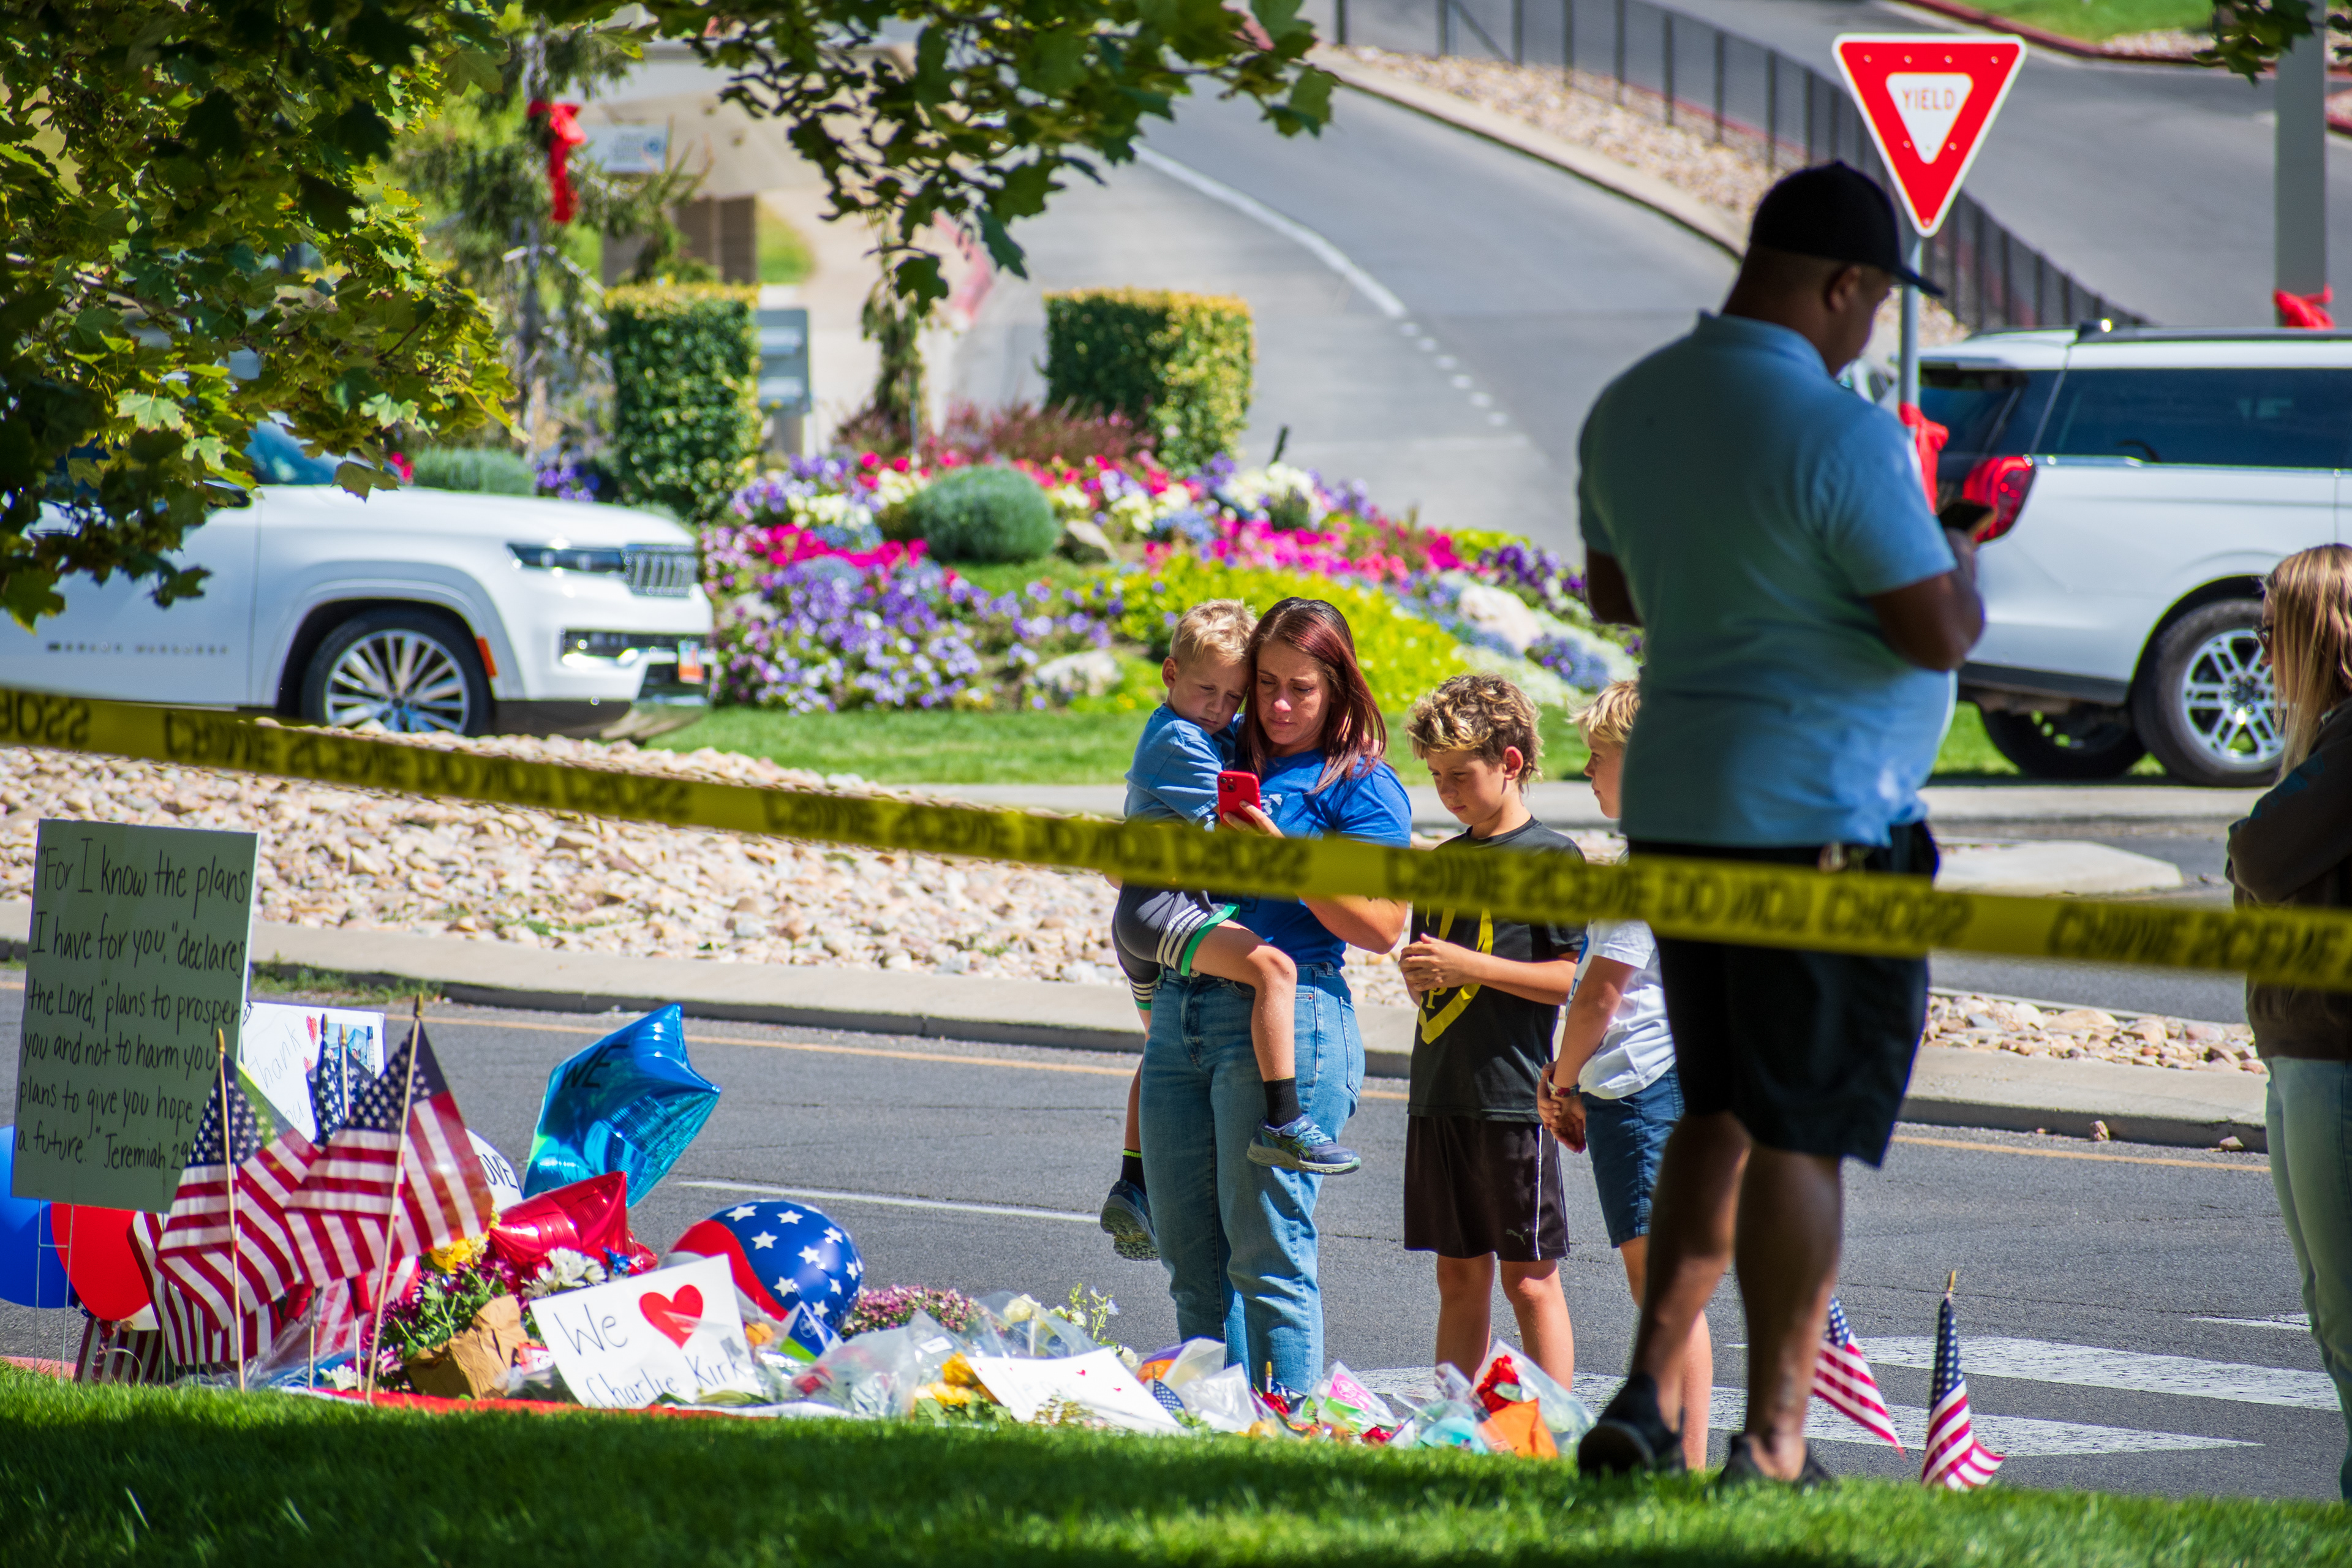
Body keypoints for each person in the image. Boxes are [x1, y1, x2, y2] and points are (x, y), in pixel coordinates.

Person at [1572, 162, 1984, 1486]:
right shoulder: (1843, 433)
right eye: (1874, 305)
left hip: (1685, 809)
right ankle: (1776, 1437)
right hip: (1825, 826)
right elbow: (1931, 628)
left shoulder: (1628, 407)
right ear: (1847, 284)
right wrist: (1962, 554)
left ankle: (1644, 1391)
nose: (1871, 329)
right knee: (1802, 1128)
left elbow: (1613, 584)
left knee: (1719, 1107)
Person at [1140, 597, 1412, 1392]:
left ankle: (1286, 1440)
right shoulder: (1217, 750)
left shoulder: (1359, 784)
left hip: (1291, 1022)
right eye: (1266, 684)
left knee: (1268, 1259)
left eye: (1302, 688)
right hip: (1181, 1009)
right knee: (1192, 1262)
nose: (1280, 705)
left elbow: (1382, 927)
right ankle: (1217, 1434)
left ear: (1338, 690)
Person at [1100, 601, 1357, 1267]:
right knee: (1274, 968)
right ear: (1169, 673)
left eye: (1233, 696)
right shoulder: (1178, 743)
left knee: (1159, 1042)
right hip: (1162, 906)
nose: (1221, 708)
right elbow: (1227, 828)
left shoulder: (1199, 728)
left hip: (1144, 912)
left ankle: (1134, 1182)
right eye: (1206, 690)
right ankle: (1285, 1117)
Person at [1536, 679, 1712, 1471]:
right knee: (1664, 1292)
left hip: (1641, 1091)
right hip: (1638, 1086)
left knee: (1664, 1294)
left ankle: (1679, 1450)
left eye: (1599, 756)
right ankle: (1677, 1447)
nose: (1588, 771)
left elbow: (1602, 993)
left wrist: (1561, 1077)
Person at [1396, 673, 1583, 1390]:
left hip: (1513, 1098)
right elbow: (1436, 972)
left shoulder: (1551, 857)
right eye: (1437, 777)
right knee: (1457, 1276)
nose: (1447, 791)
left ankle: (1549, 1429)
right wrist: (1422, 975)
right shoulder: (1444, 864)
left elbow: (1572, 976)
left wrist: (1466, 963)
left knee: (1530, 1281)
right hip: (1441, 1093)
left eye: (1461, 775)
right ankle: (1457, 1427)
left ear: (1509, 762)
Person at [2226, 544, 2352, 1502]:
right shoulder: (2326, 743)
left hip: (2335, 1062)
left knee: (2347, 1315)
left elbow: (2261, 855)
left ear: (2319, 635)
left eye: (2271, 632)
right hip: (2300, 1053)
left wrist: (2244, 843)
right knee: (2327, 1309)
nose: (2261, 653)